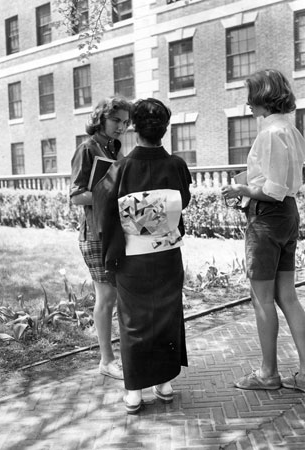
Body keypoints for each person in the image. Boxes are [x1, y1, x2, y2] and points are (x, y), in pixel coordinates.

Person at [222, 69, 305, 395]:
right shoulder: (291, 131)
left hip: (267, 218)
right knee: (287, 296)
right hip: (289, 215)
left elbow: (273, 190)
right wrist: (250, 184)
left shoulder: (269, 133)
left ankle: (268, 374)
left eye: (251, 98)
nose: (248, 105)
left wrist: (241, 189)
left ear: (263, 99)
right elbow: (281, 184)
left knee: (262, 299)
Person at [92, 98, 192, 414]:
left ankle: (134, 391)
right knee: (166, 315)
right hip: (166, 254)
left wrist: (120, 243)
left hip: (132, 257)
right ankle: (164, 384)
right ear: (165, 128)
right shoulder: (176, 165)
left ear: (134, 127)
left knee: (133, 321)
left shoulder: (120, 169)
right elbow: (183, 200)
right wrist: (159, 216)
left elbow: (105, 213)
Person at [70, 96, 132, 380]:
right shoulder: (86, 149)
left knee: (118, 295)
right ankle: (106, 360)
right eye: (116, 120)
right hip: (95, 233)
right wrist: (107, 195)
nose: (122, 127)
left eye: (125, 122)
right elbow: (76, 195)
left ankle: (120, 355)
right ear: (101, 119)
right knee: (107, 296)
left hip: (116, 231)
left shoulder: (115, 148)